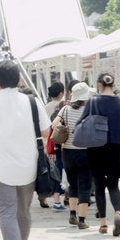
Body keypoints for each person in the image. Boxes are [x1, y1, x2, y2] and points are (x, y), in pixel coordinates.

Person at [0, 61, 51, 240]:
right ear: (20, 79)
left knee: (7, 213)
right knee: (24, 212)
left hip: (1, 169)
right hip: (28, 168)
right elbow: (46, 132)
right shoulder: (32, 102)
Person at [77, 73, 120, 237]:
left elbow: (81, 122)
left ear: (99, 84)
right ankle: (118, 212)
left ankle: (103, 225)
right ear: (113, 84)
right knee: (114, 185)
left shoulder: (93, 101)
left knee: (99, 186)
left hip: (96, 148)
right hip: (115, 148)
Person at [51, 83, 94, 230]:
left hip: (68, 152)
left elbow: (53, 124)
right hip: (85, 151)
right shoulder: (89, 110)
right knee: (85, 186)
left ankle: (72, 214)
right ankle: (82, 220)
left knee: (73, 184)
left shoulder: (65, 109)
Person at [41, 81, 67, 211]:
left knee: (52, 171)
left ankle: (46, 196)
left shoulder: (45, 107)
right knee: (62, 170)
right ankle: (64, 195)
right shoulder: (64, 106)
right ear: (61, 93)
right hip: (61, 142)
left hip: (48, 143)